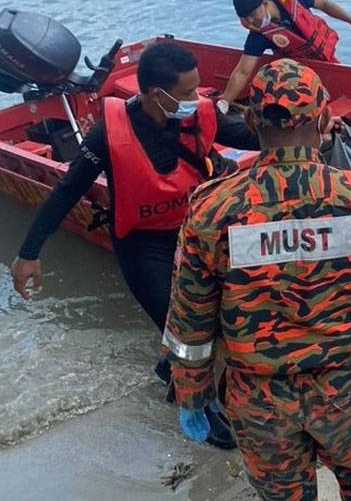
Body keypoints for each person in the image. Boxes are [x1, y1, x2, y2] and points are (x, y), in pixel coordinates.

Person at [164, 58, 351, 500]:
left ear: (249, 119)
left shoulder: (212, 210)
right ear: (323, 117)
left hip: (258, 399)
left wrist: (192, 387)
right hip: (346, 387)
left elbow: (190, 316)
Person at [9, 42, 259, 449]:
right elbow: (67, 190)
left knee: (226, 318)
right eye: (186, 92)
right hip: (143, 245)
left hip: (195, 236)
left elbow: (257, 135)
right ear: (155, 94)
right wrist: (29, 253)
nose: (196, 99)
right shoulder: (109, 132)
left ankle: (171, 368)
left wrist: (308, 126)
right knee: (184, 332)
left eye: (198, 89)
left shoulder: (201, 115)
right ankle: (200, 403)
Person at [219, 0, 351, 112]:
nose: (251, 21)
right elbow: (243, 72)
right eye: (245, 17)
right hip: (297, 75)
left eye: (252, 14)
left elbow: (324, 4)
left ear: (264, 3)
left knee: (346, 86)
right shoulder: (258, 35)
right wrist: (225, 100)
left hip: (325, 59)